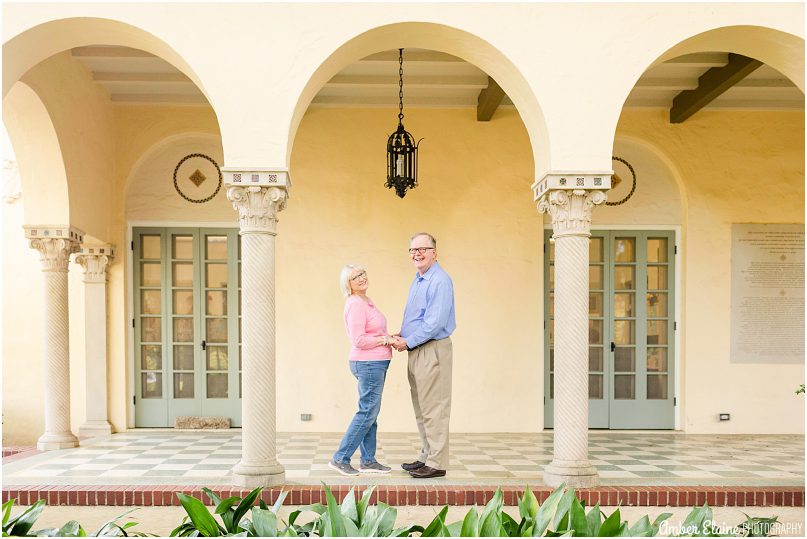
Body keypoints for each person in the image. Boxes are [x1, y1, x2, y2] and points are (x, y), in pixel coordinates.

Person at [390, 232, 456, 479]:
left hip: (432, 349)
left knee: (435, 408)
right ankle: (426, 455)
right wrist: (404, 333)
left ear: (434, 253)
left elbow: (435, 323)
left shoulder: (439, 280)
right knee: (422, 407)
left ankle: (437, 463)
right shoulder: (419, 279)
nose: (417, 254)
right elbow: (419, 318)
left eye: (422, 249)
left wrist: (408, 341)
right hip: (417, 348)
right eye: (412, 250)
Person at [329, 264, 394, 476]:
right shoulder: (355, 303)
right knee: (367, 412)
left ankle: (368, 461)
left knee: (371, 414)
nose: (361, 277)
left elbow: (372, 333)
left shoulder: (366, 301)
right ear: (347, 284)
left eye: (362, 272)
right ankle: (340, 458)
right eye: (355, 276)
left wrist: (389, 337)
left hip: (375, 363)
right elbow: (358, 340)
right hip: (368, 364)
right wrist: (385, 339)